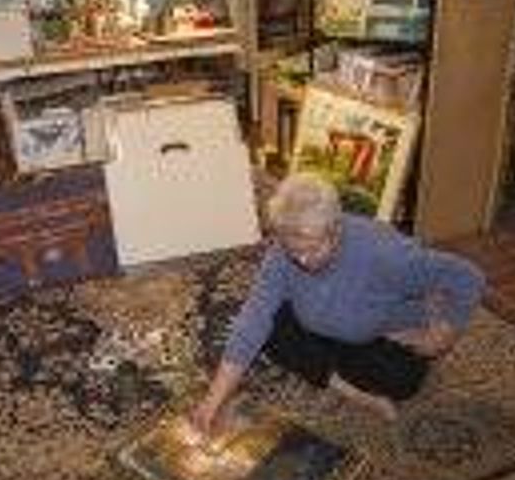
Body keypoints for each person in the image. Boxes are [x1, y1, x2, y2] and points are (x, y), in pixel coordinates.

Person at [191, 173, 486, 436]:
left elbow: (467, 277)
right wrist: (212, 401)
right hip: (322, 326)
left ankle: (335, 369)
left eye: (313, 249)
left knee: (404, 381)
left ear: (335, 228)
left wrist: (445, 332)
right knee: (264, 328)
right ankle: (354, 393)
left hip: (376, 335)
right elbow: (252, 320)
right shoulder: (282, 252)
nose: (304, 261)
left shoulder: (385, 254)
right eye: (295, 252)